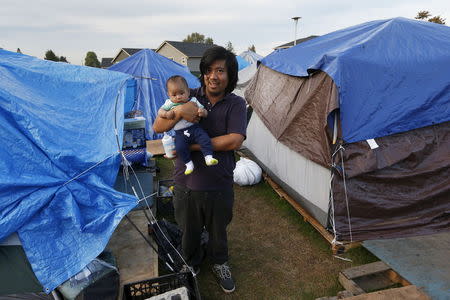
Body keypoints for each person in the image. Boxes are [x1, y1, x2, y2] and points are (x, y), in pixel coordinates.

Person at [153, 46, 246, 294]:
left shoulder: (236, 103)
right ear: (202, 73)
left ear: (230, 75)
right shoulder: (187, 95)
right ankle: (190, 264)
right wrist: (179, 111)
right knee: (188, 230)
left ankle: (219, 263)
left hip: (220, 182)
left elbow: (235, 140)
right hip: (187, 183)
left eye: (220, 71)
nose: (213, 76)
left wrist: (192, 146)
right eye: (208, 70)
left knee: (218, 231)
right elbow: (157, 125)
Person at [158, 75, 218, 175]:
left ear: (188, 92)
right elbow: (160, 111)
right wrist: (166, 114)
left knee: (205, 138)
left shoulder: (193, 101)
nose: (178, 97)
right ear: (169, 95)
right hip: (180, 133)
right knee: (180, 147)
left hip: (194, 128)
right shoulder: (169, 104)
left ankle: (208, 157)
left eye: (181, 93)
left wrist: (202, 112)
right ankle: (188, 164)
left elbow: (204, 110)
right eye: (174, 95)